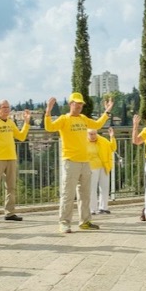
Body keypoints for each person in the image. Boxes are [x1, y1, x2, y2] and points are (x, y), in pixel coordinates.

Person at [44, 93, 113, 233]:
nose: (79, 106)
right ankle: (64, 222)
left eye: (81, 104)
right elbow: (49, 127)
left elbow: (98, 124)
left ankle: (85, 221)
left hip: (85, 162)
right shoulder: (64, 119)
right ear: (70, 104)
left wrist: (107, 111)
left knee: (85, 194)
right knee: (68, 194)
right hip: (71, 161)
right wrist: (48, 111)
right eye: (77, 103)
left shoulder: (83, 119)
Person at [87, 127, 117, 215]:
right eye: (91, 134)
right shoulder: (83, 142)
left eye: (94, 134)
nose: (93, 136)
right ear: (87, 134)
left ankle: (103, 207)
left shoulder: (102, 140)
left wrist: (112, 137)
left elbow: (112, 148)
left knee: (104, 187)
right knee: (92, 188)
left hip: (104, 166)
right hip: (91, 167)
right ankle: (92, 208)